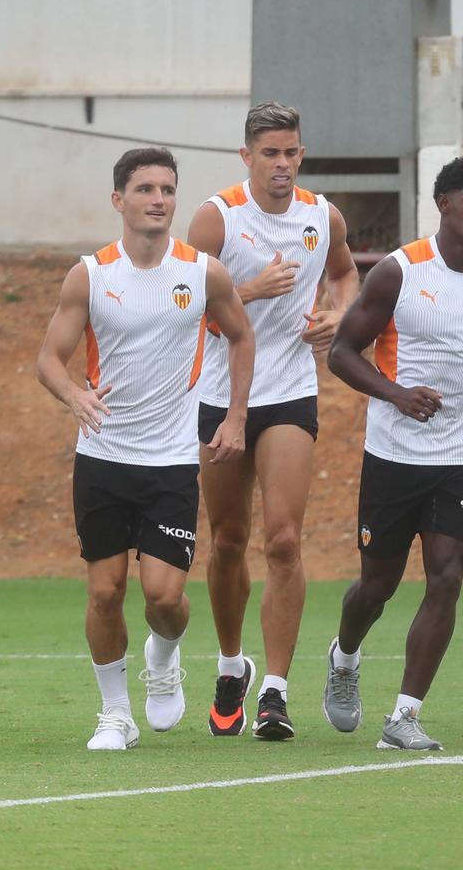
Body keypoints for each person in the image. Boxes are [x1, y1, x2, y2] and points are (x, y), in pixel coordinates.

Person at [35, 147, 254, 751]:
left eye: (167, 189)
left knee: (164, 599)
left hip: (171, 461)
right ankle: (114, 715)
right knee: (104, 592)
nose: (158, 199)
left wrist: (235, 417)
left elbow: (240, 336)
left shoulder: (203, 272)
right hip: (103, 457)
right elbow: (48, 360)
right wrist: (74, 395)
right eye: (145, 189)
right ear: (119, 201)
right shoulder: (91, 274)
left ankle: (165, 654)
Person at [322, 157, 463, 751]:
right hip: (393, 455)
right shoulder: (397, 272)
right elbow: (342, 353)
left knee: (447, 577)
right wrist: (396, 394)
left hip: (462, 457)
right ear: (443, 204)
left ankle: (404, 716)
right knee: (375, 587)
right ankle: (345, 656)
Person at [186, 103, 359, 741]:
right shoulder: (217, 217)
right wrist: (246, 293)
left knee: (283, 540)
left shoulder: (323, 216)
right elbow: (176, 306)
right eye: (270, 154)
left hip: (288, 391)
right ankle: (232, 666)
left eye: (291, 153)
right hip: (217, 394)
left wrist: (337, 315)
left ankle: (277, 693)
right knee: (228, 541)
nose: (282, 165)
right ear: (247, 157)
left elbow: (344, 274)